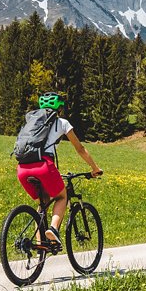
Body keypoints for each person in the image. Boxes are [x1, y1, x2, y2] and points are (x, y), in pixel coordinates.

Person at [15, 92, 102, 243]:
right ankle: (53, 229)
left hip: (22, 168)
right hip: (44, 166)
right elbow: (80, 149)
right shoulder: (62, 123)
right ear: (59, 108)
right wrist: (94, 168)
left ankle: (40, 244)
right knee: (62, 196)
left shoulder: (31, 123)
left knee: (43, 202)